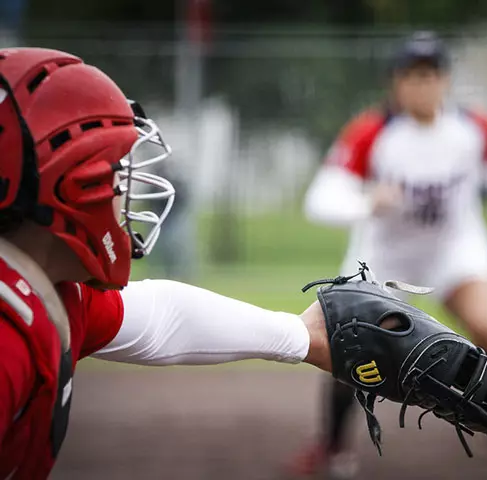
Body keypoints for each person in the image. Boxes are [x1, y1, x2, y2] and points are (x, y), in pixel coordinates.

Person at [0, 47, 370, 479]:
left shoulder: (53, 288)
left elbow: (162, 317)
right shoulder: (8, 337)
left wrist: (303, 336)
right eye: (117, 170)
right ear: (72, 183)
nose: (125, 188)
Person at [293, 31, 487, 479]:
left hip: (455, 250)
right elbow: (319, 199)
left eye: (431, 74)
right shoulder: (372, 132)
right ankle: (331, 447)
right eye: (412, 75)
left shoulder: (472, 128)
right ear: (396, 82)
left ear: (446, 79)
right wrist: (366, 202)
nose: (422, 84)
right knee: (348, 350)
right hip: (384, 258)